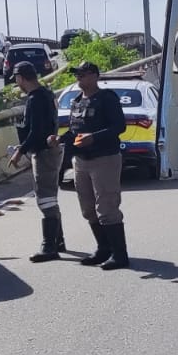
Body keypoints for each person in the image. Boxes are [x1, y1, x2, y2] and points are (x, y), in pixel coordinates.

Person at [67, 61, 130, 270]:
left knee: (107, 207)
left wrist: (94, 138)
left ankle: (120, 255)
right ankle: (104, 248)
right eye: (77, 74)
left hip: (104, 159)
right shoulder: (76, 102)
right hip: (81, 161)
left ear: (94, 76)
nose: (79, 78)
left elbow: (119, 126)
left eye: (82, 74)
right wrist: (56, 140)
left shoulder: (107, 99)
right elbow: (74, 131)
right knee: (88, 208)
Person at [10, 63, 64, 262]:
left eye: (17, 79)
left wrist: (20, 151)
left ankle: (49, 246)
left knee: (45, 198)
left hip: (43, 152)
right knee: (50, 197)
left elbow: (37, 131)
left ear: (22, 78)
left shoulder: (36, 99)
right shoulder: (45, 95)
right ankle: (58, 239)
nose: (17, 84)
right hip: (48, 150)